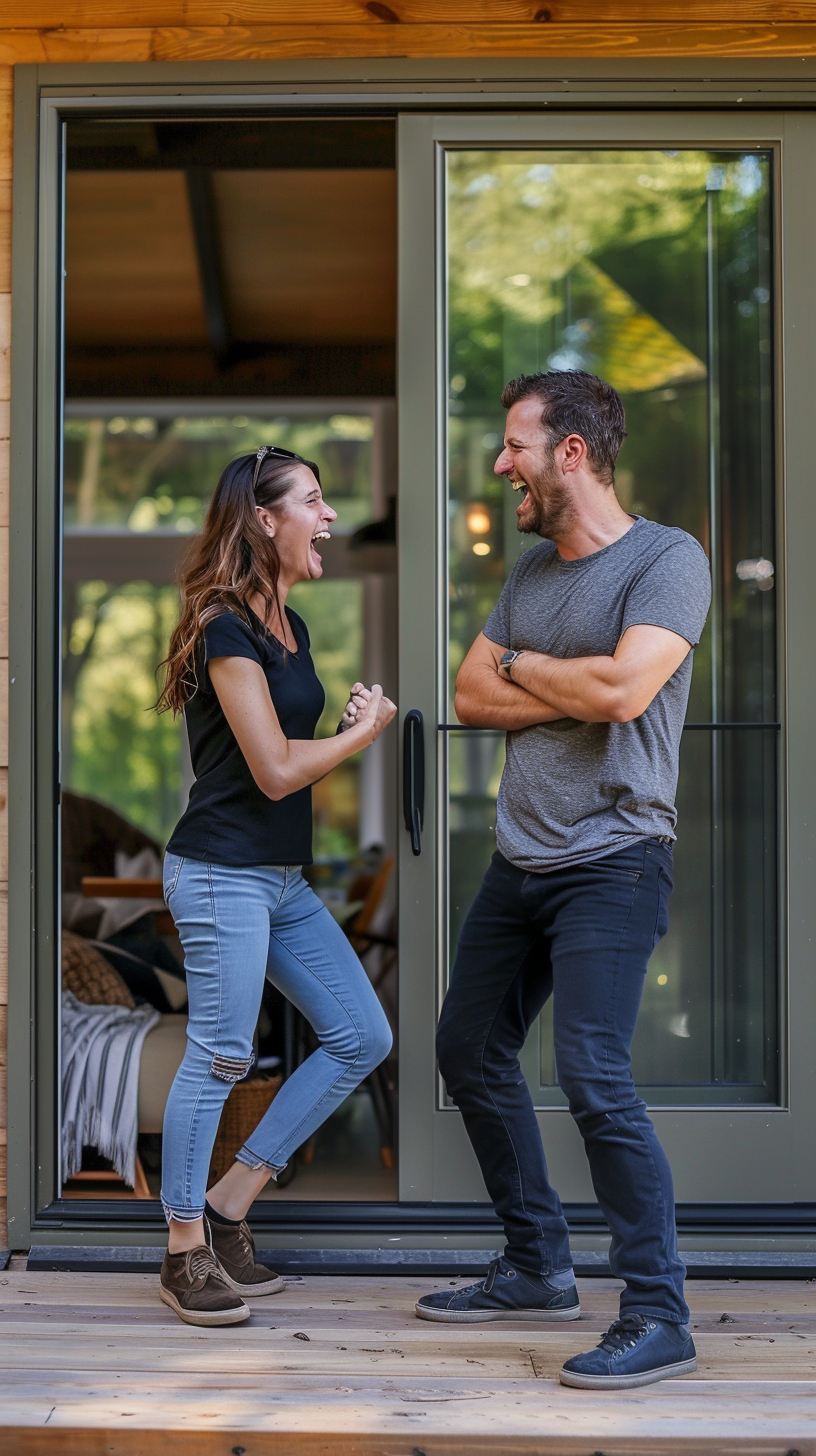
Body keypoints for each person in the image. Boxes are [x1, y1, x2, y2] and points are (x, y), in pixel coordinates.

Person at [416, 371, 711, 1391]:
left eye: (515, 446)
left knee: (591, 1071)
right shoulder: (531, 573)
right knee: (466, 1045)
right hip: (520, 859)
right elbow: (465, 690)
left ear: (571, 452)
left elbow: (629, 689)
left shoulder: (668, 559)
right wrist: (563, 679)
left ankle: (660, 1310)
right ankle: (539, 1263)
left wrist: (524, 669)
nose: (503, 466)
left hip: (616, 858)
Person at [155, 445, 396, 1327]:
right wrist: (361, 737)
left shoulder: (285, 625)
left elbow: (291, 755)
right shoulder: (225, 624)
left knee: (361, 1034)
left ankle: (227, 1206)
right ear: (265, 518)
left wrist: (339, 728)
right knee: (221, 1053)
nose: (329, 518)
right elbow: (273, 771)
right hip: (221, 872)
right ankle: (184, 1251)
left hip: (279, 879)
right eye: (317, 502)